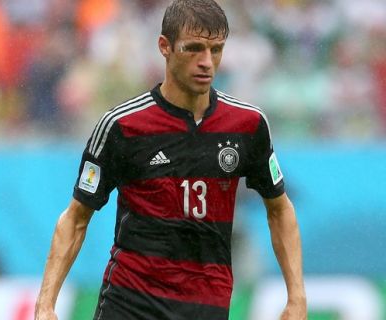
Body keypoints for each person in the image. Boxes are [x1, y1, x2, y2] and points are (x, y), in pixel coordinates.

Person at [35, 0, 307, 319]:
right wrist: (46, 304)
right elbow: (76, 218)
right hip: (130, 304)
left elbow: (280, 209)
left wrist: (297, 297)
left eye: (216, 50)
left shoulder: (248, 125)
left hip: (205, 307)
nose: (207, 62)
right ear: (164, 46)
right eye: (193, 49)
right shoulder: (122, 126)